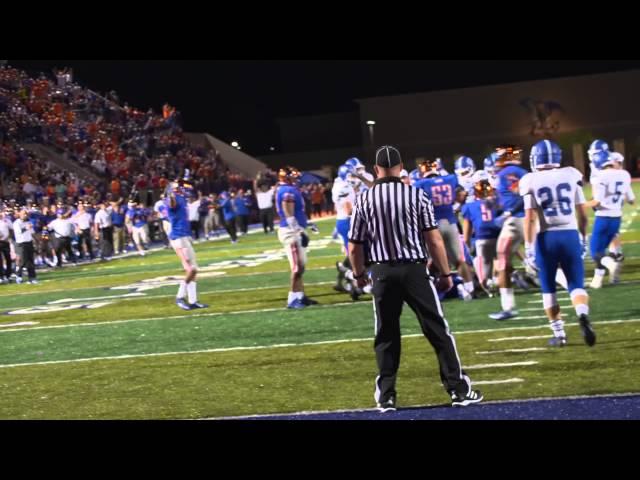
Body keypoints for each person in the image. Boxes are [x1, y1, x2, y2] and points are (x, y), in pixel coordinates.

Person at [348, 145, 483, 412]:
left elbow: (354, 245)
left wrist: (359, 274)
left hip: (382, 272)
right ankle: (458, 390)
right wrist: (445, 273)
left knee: (386, 334)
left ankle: (386, 396)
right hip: (414, 271)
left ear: (376, 170)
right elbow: (433, 239)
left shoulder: (364, 199)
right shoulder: (415, 195)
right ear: (400, 168)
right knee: (437, 329)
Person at [521, 140, 595, 347]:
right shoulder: (571, 174)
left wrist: (528, 247)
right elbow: (582, 214)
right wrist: (583, 238)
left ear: (536, 158)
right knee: (575, 284)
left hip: (547, 238)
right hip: (570, 234)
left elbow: (530, 218)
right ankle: (582, 314)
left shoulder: (530, 180)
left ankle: (559, 334)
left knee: (548, 288)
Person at [490, 146, 529, 320]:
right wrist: (496, 205)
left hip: (519, 220)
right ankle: (508, 307)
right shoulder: (519, 172)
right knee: (502, 261)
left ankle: (573, 287)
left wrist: (508, 213)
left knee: (538, 264)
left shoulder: (508, 173)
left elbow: (523, 197)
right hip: (519, 220)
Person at [587, 150, 635, 288]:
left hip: (603, 218)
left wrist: (580, 204)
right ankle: (598, 280)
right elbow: (631, 200)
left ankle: (611, 263)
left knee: (595, 252)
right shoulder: (624, 174)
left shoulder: (600, 176)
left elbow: (597, 202)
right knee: (601, 250)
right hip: (616, 218)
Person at [276, 167, 318, 309]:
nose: (296, 179)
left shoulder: (289, 189)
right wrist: (299, 231)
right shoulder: (288, 191)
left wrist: (307, 223)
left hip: (295, 229)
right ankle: (292, 299)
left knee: (301, 265)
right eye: (293, 177)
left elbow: (297, 212)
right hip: (291, 232)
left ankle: (300, 295)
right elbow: (288, 212)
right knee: (297, 267)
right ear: (286, 178)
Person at [166, 174, 208, 311]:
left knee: (194, 270)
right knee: (191, 269)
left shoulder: (182, 199)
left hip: (185, 236)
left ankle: (193, 300)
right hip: (178, 238)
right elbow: (171, 204)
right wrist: (171, 193)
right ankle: (179, 297)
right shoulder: (172, 199)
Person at [13, 208, 38, 284]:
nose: (25, 215)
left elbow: (32, 232)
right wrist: (27, 228)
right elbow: (19, 232)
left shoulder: (28, 222)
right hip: (21, 244)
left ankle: (32, 277)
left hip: (29, 243)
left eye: (26, 214)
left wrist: (37, 240)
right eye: (24, 214)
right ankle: (19, 276)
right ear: (19, 214)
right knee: (22, 261)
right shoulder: (17, 223)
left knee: (30, 261)